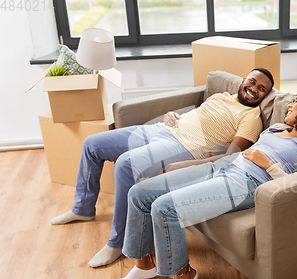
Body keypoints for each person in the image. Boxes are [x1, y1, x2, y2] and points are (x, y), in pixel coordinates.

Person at [112, 83, 297, 279]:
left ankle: (184, 275)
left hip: (244, 183)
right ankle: (144, 265)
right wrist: (202, 163)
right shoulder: (276, 128)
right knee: (139, 193)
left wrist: (267, 165)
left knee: (166, 208)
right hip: (223, 167)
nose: (290, 104)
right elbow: (237, 152)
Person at [50, 68, 275, 268]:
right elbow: (197, 118)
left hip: (183, 147)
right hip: (162, 130)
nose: (254, 89)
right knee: (92, 144)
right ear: (244, 79)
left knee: (125, 165)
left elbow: (230, 157)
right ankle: (83, 209)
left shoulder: (251, 117)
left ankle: (118, 243)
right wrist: (172, 116)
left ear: (264, 96)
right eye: (253, 82)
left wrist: (188, 165)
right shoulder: (220, 96)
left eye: (262, 89)